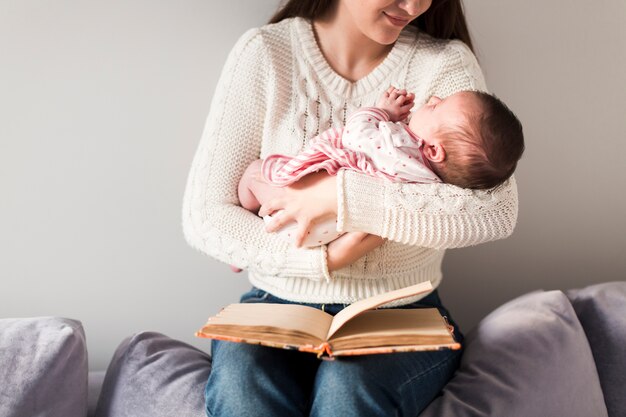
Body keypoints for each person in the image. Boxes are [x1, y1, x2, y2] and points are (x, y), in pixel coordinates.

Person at [181, 0, 521, 415]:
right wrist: (325, 258)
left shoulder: (444, 64)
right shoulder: (266, 54)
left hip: (399, 310)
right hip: (276, 302)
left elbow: (494, 211)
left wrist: (337, 199)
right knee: (242, 386)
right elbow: (206, 217)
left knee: (349, 389)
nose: (414, 5)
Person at [232, 86, 523, 256]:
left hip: (294, 214)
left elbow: (355, 135)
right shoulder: (432, 181)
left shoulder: (400, 144)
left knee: (257, 173)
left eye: (437, 107)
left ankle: (251, 212)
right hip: (331, 235)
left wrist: (382, 113)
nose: (432, 99)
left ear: (434, 151)